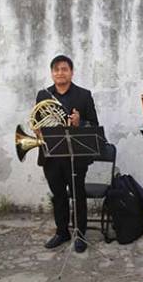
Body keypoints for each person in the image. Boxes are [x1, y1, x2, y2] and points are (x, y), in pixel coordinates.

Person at [37, 55, 99, 253]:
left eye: (64, 69)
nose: (60, 73)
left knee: (77, 195)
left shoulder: (83, 95)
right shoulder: (43, 95)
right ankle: (61, 231)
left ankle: (80, 234)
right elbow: (37, 122)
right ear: (52, 73)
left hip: (75, 156)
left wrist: (79, 123)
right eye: (56, 70)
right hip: (51, 155)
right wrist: (37, 131)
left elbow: (94, 125)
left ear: (71, 72)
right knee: (58, 195)